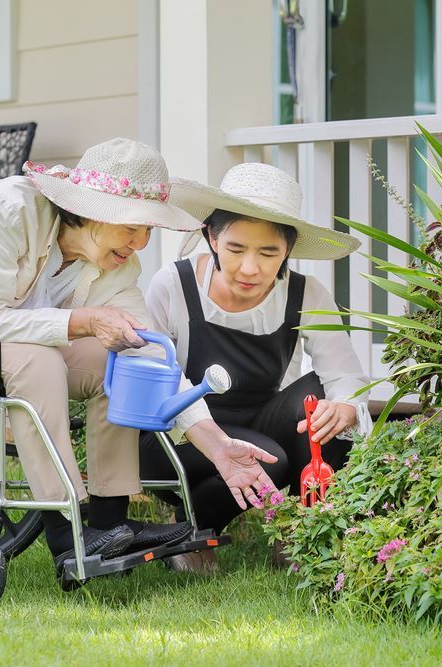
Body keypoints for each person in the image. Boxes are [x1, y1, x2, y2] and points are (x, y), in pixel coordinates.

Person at [0, 138, 279, 577]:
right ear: (91, 211)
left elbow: (154, 354)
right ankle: (67, 533)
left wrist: (217, 445)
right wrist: (82, 321)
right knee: (40, 360)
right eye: (133, 227)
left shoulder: (116, 265)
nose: (141, 242)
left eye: (149, 230)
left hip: (7, 343)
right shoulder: (8, 209)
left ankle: (109, 520)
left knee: (124, 361)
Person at [139, 162, 372, 572]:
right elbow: (155, 381)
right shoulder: (173, 285)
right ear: (211, 236)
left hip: (259, 421)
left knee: (321, 401)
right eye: (235, 249)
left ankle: (305, 532)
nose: (251, 268)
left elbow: (345, 375)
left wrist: (346, 408)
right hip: (178, 436)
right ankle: (194, 530)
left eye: (268, 253)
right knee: (272, 459)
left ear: (289, 249)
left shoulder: (306, 293)